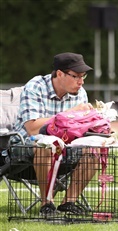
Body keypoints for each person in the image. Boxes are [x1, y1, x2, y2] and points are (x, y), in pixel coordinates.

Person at [12, 52, 99, 215]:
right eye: (76, 76)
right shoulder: (35, 86)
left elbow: (80, 129)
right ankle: (47, 203)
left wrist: (98, 128)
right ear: (60, 74)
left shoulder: (80, 92)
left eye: (83, 76)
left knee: (94, 150)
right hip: (26, 147)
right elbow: (32, 128)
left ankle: (69, 202)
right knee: (47, 144)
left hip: (66, 148)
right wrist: (69, 114)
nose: (81, 82)